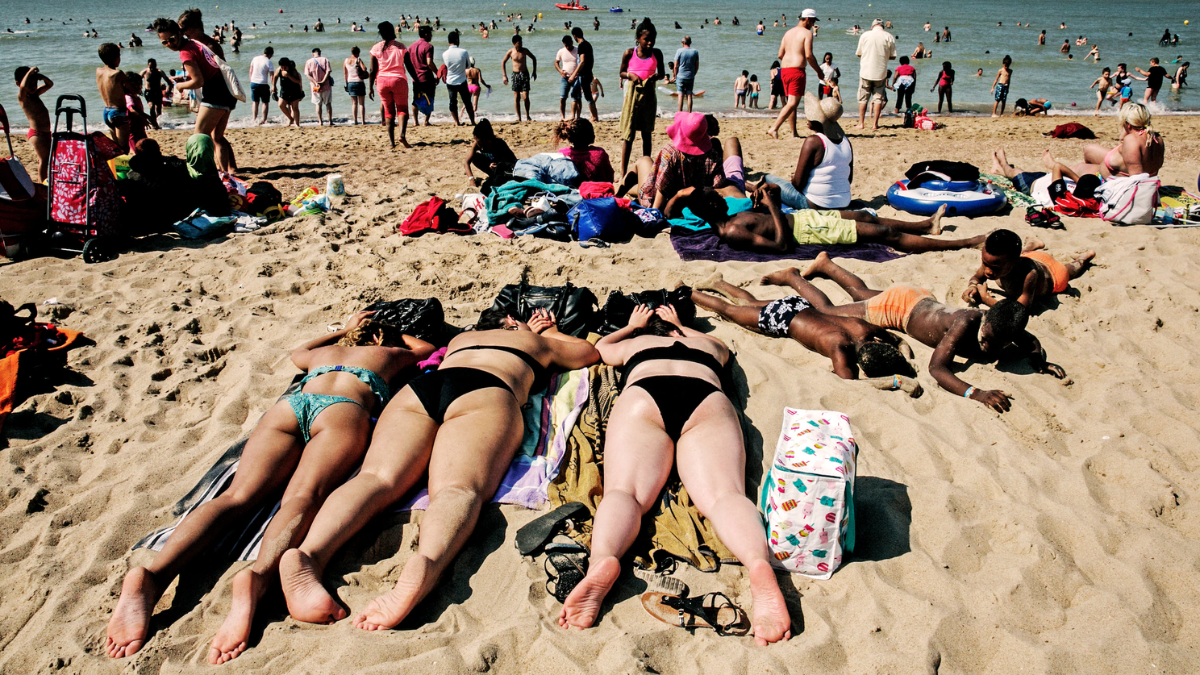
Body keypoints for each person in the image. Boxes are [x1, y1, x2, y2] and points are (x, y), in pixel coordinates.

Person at [105, 311, 434, 661]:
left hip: (290, 407)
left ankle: (153, 576)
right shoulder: (387, 354)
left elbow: (299, 350)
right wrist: (394, 334)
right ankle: (259, 576)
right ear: (380, 340)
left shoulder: (319, 356)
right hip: (341, 410)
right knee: (303, 497)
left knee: (236, 495)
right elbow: (425, 348)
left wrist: (345, 328)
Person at [278, 309, 598, 632]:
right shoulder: (530, 341)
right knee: (457, 489)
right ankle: (425, 564)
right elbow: (588, 353)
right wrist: (549, 331)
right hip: (486, 388)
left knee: (375, 478)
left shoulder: (461, 339)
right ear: (512, 323)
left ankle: (308, 555)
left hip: (425, 387)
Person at [556, 305, 791, 645]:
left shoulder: (636, 344)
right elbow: (723, 350)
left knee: (625, 494)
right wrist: (681, 326)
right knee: (725, 496)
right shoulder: (708, 346)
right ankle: (758, 565)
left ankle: (602, 563)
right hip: (705, 395)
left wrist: (631, 327)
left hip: (645, 392)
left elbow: (602, 349)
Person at [789, 253, 1064, 412]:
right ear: (986, 320)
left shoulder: (1006, 324)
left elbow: (1030, 340)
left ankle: (825, 265)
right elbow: (937, 369)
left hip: (920, 299)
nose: (991, 347)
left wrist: (1040, 361)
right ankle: (793, 277)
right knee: (828, 309)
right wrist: (976, 393)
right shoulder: (967, 322)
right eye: (988, 340)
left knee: (861, 295)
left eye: (998, 345)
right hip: (900, 309)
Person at [693, 274, 911, 380]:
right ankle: (688, 292)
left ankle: (718, 283)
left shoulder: (863, 328)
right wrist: (892, 381)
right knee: (729, 311)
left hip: (799, 305)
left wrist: (902, 351)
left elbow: (897, 340)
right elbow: (848, 380)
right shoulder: (840, 347)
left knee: (749, 304)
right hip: (783, 321)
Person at [685, 181, 980, 255]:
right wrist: (773, 206)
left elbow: (766, 221)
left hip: (802, 218)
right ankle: (961, 243)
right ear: (709, 208)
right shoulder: (731, 232)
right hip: (809, 231)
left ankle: (927, 225)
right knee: (885, 234)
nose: (723, 198)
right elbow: (781, 247)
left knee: (865, 214)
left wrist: (761, 201)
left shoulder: (731, 218)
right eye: (716, 198)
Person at [157, 18, 237, 171]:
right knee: (217, 137)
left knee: (198, 137)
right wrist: (186, 78)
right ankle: (226, 174)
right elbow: (205, 71)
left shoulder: (185, 51)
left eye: (172, 39)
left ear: (180, 33)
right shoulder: (195, 44)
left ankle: (204, 172)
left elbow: (198, 81)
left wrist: (180, 86)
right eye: (164, 42)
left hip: (214, 93)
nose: (170, 44)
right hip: (226, 91)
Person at [760, 93, 852, 210]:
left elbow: (798, 184)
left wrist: (794, 179)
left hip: (815, 203)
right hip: (844, 202)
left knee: (768, 178)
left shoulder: (814, 141)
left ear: (818, 119)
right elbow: (848, 178)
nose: (807, 118)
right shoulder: (846, 142)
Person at [962, 229, 1095, 309]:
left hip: (1053, 276)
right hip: (1030, 257)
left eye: (994, 268)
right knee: (1019, 254)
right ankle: (1033, 243)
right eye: (985, 263)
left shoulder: (1029, 275)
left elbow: (1021, 309)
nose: (988, 271)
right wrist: (972, 286)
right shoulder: (995, 262)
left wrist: (986, 298)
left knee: (1069, 271)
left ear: (1013, 263)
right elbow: (976, 279)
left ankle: (1084, 258)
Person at [628, 111, 732, 211]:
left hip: (667, 205)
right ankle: (624, 187)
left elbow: (662, 189)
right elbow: (719, 185)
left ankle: (618, 189)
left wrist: (655, 212)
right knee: (640, 182)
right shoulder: (713, 155)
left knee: (644, 161)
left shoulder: (671, 152)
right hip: (692, 206)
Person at [618, 19, 665, 177]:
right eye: (646, 39)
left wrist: (655, 77)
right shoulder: (630, 53)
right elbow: (622, 73)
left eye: (653, 39)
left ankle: (648, 170)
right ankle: (623, 172)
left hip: (649, 95)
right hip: (632, 95)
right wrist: (630, 75)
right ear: (638, 38)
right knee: (628, 135)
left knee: (646, 133)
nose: (650, 43)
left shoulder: (656, 53)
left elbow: (662, 73)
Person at [767, 9, 823, 139]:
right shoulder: (807, 33)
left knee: (791, 102)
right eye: (813, 20)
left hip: (784, 70)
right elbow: (809, 55)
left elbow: (780, 54)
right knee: (792, 102)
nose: (813, 23)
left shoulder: (788, 33)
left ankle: (793, 133)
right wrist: (819, 71)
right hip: (796, 71)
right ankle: (774, 128)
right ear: (808, 19)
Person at [1073, 102, 1163, 178]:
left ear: (1127, 124)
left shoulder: (1132, 140)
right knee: (1089, 150)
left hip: (1114, 180)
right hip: (1128, 171)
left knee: (1079, 168)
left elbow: (1136, 179)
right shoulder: (1156, 137)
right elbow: (1122, 139)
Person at [370, 21, 410, 148]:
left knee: (388, 111)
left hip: (382, 82)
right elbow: (409, 67)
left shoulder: (376, 48)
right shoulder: (401, 47)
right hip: (399, 80)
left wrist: (370, 87)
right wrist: (417, 80)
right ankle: (402, 135)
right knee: (402, 109)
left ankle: (392, 142)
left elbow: (372, 70)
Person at [13, 65, 53, 182]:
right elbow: (23, 88)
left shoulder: (35, 95)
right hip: (37, 134)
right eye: (30, 84)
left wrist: (40, 76)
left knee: (48, 158)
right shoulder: (23, 97)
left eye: (34, 84)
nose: (33, 87)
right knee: (43, 160)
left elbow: (50, 84)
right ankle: (42, 183)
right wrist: (30, 72)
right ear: (18, 84)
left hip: (45, 133)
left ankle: (46, 181)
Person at [855, 18, 895, 131]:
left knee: (863, 98)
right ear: (882, 26)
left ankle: (861, 123)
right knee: (878, 99)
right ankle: (875, 124)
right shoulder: (889, 36)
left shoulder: (865, 35)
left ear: (872, 26)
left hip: (866, 71)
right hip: (881, 72)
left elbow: (859, 54)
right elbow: (893, 56)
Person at [464, 118, 517, 192]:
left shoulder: (499, 144)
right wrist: (471, 179)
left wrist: (498, 165)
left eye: (483, 143)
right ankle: (492, 175)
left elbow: (510, 161)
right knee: (474, 157)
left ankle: (495, 176)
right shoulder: (477, 144)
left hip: (507, 168)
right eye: (478, 142)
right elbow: (466, 162)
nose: (481, 146)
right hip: (492, 167)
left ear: (489, 139)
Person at [96, 44, 131, 151]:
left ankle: (115, 167)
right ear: (116, 58)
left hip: (106, 111)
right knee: (124, 148)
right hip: (118, 112)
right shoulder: (118, 73)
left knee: (116, 148)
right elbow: (130, 88)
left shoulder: (98, 71)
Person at [555, 117, 614, 182]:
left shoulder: (562, 154)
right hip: (595, 190)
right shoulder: (599, 154)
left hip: (572, 190)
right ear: (591, 135)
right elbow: (609, 176)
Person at [405, 25, 437, 126]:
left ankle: (415, 121)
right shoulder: (429, 46)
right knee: (430, 98)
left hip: (415, 78)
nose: (431, 35)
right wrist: (437, 72)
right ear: (426, 34)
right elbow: (429, 63)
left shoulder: (411, 46)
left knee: (415, 99)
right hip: (426, 77)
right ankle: (426, 121)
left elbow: (408, 63)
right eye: (430, 33)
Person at [502, 34, 537, 122]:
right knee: (517, 97)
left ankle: (528, 115)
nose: (520, 44)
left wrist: (534, 71)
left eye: (521, 42)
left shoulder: (525, 51)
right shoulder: (511, 52)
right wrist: (504, 75)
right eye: (519, 42)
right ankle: (519, 117)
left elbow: (534, 58)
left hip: (524, 74)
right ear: (514, 43)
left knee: (525, 97)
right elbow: (503, 62)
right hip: (515, 75)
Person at [442, 31, 475, 126]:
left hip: (450, 81)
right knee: (467, 102)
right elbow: (468, 66)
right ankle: (472, 122)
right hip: (461, 80)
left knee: (452, 103)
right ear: (457, 40)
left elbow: (447, 66)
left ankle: (456, 122)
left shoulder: (445, 54)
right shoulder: (463, 52)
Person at [568, 27, 600, 122]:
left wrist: (574, 74)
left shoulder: (581, 46)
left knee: (587, 96)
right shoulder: (588, 45)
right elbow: (592, 59)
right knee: (575, 93)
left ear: (574, 36)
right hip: (587, 73)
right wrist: (590, 69)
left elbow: (582, 61)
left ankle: (594, 116)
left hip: (583, 74)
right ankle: (575, 116)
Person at [304, 48, 334, 126]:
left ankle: (320, 121)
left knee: (318, 104)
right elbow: (328, 71)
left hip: (315, 87)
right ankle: (330, 121)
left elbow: (307, 74)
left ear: (313, 54)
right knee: (328, 104)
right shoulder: (325, 60)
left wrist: (315, 82)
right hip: (326, 85)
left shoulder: (309, 61)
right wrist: (323, 81)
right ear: (320, 53)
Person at [555, 35, 581, 119]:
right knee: (562, 98)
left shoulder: (577, 50)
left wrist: (577, 73)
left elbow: (581, 62)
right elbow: (556, 62)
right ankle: (562, 116)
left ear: (572, 42)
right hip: (565, 77)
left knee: (576, 98)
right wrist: (560, 71)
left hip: (576, 77)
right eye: (565, 45)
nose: (567, 47)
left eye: (568, 45)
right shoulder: (561, 51)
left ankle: (577, 116)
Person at [274, 57, 304, 127]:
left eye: (285, 67)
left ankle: (297, 124)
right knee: (281, 104)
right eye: (282, 67)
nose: (283, 68)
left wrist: (288, 76)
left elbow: (298, 81)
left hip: (294, 90)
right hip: (284, 90)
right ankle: (290, 118)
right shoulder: (279, 70)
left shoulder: (293, 71)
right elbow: (275, 77)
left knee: (295, 108)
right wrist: (274, 86)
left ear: (288, 66)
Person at [249, 46, 275, 125]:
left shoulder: (255, 58)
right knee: (265, 102)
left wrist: (251, 80)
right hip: (263, 83)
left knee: (255, 102)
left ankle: (254, 119)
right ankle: (263, 119)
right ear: (270, 54)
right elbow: (271, 75)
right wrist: (273, 85)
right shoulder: (268, 62)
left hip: (253, 82)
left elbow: (250, 70)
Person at [673, 35, 699, 112]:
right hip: (690, 76)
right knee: (689, 95)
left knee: (680, 95)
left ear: (683, 42)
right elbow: (696, 66)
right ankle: (689, 112)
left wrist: (675, 75)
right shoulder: (695, 51)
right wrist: (693, 74)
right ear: (690, 42)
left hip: (680, 76)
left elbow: (675, 66)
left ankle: (679, 112)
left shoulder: (679, 51)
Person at [342, 47, 367, 125]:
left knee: (354, 103)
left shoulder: (346, 61)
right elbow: (364, 69)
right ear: (358, 52)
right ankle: (363, 121)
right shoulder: (358, 60)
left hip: (350, 82)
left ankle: (355, 121)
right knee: (361, 103)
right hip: (359, 82)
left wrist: (346, 83)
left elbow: (345, 73)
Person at [139, 58, 166, 129]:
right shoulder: (144, 72)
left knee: (159, 111)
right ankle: (154, 124)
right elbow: (137, 80)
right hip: (148, 92)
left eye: (153, 67)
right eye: (150, 67)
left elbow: (168, 82)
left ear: (156, 65)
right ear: (148, 65)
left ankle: (154, 120)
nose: (152, 68)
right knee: (152, 106)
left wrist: (168, 90)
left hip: (158, 92)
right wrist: (139, 89)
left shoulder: (159, 72)